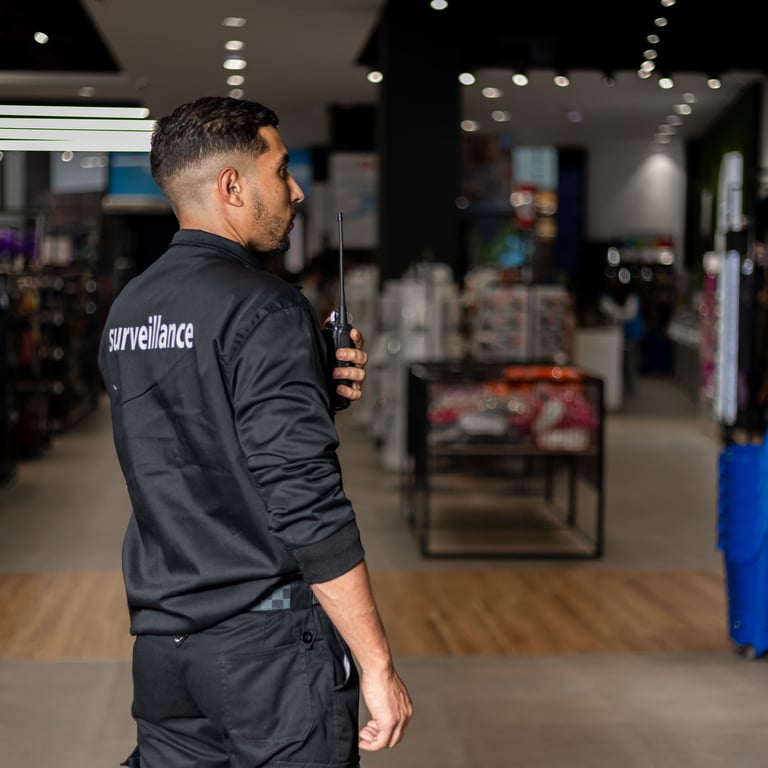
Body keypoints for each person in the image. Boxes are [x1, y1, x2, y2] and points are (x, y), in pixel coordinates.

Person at [98, 95, 413, 768]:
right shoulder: (265, 307)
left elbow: (194, 435)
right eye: (281, 170)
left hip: (165, 649)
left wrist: (309, 391)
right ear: (232, 186)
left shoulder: (129, 309)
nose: (296, 191)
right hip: (265, 655)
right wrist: (377, 664)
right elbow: (306, 498)